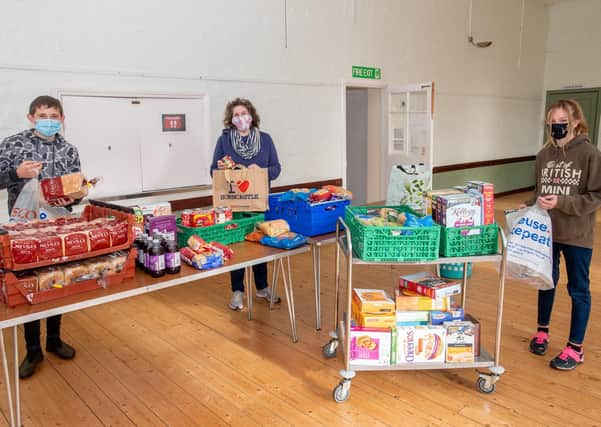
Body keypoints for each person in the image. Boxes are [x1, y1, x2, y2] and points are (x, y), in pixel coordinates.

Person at [0, 95, 81, 378]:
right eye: (43, 115)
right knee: (30, 284)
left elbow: (74, 188)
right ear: (31, 117)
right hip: (25, 225)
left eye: (54, 116)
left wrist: (72, 198)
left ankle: (54, 339)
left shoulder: (69, 150)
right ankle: (32, 349)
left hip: (58, 226)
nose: (49, 121)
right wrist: (16, 172)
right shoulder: (13, 144)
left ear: (62, 119)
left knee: (56, 280)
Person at [524, 99, 601, 370]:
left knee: (578, 289)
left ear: (575, 122)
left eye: (561, 122)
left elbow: (595, 196)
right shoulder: (544, 154)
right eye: (551, 123)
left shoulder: (590, 154)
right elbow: (539, 190)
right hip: (546, 232)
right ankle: (542, 331)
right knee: (546, 282)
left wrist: (562, 203)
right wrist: (529, 204)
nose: (555, 127)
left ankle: (575, 348)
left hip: (577, 235)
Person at [210, 98, 281, 310]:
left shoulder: (266, 140)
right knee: (237, 246)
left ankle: (262, 287)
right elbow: (213, 171)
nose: (241, 118)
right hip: (234, 205)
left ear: (252, 116)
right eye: (236, 115)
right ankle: (237, 291)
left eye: (244, 113)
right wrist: (222, 167)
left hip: (258, 203)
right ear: (231, 120)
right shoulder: (224, 141)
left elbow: (276, 169)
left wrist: (259, 172)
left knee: (259, 245)